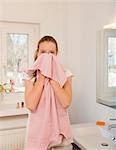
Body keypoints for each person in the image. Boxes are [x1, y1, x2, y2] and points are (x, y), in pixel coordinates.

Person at [24, 35, 73, 150]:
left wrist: (52, 77)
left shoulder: (65, 74)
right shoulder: (30, 77)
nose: (48, 56)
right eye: (43, 52)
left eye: (51, 52)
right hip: (37, 135)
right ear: (37, 54)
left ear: (56, 55)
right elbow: (31, 105)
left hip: (61, 137)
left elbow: (66, 103)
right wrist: (42, 77)